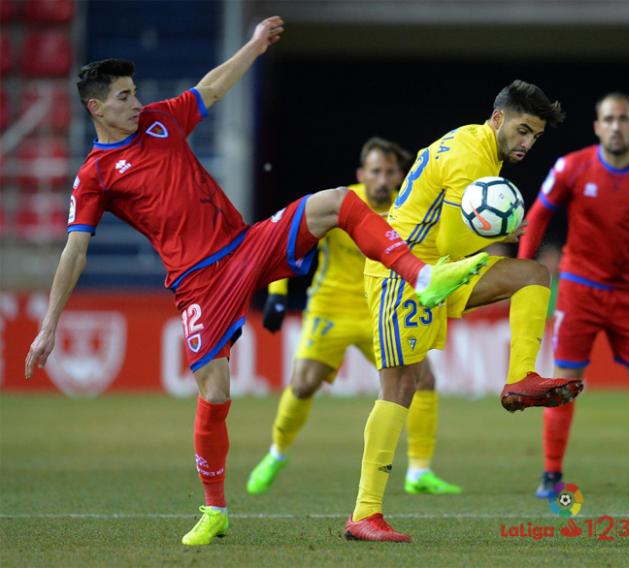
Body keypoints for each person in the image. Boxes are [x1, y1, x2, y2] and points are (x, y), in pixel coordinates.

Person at [23, 17, 490, 547]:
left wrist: (254, 46)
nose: (136, 103)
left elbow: (211, 88)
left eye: (134, 93)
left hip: (244, 243)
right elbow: (75, 249)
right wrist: (48, 326)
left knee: (338, 200)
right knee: (216, 393)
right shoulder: (94, 176)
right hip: (198, 282)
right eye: (125, 97)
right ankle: (215, 509)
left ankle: (421, 276)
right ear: (96, 108)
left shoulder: (159, 122)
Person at [345, 80, 584, 542]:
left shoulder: (481, 147)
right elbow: (458, 242)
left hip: (438, 271)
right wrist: (510, 225)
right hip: (404, 272)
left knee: (534, 275)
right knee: (399, 387)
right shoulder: (472, 156)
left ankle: (522, 377)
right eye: (522, 130)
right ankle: (364, 512)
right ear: (498, 119)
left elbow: (455, 245)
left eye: (534, 135)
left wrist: (503, 230)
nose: (527, 143)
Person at [247, 137, 462, 498]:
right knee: (302, 385)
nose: (382, 179)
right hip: (332, 307)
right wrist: (277, 296)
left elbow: (443, 247)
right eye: (375, 171)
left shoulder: (409, 209)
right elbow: (289, 241)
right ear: (362, 174)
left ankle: (420, 471)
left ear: (399, 176)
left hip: (382, 309)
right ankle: (276, 453)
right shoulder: (340, 202)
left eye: (390, 172)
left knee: (424, 379)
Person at [518, 92, 629, 497]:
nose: (616, 125)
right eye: (608, 119)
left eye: (623, 118)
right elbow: (539, 214)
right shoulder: (573, 168)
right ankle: (550, 474)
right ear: (598, 127)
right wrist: (524, 268)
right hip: (580, 291)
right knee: (566, 381)